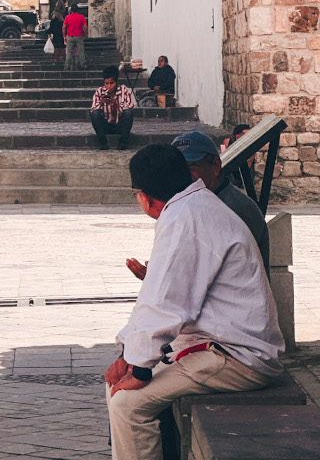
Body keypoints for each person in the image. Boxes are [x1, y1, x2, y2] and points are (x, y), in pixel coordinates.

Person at [105, 144, 283, 460]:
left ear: (145, 197)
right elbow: (156, 296)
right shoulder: (193, 207)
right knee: (119, 384)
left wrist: (140, 368)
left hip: (239, 357)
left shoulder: (186, 218)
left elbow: (167, 304)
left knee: (127, 404)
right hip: (218, 345)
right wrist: (127, 352)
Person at [170, 130, 269, 269]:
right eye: (177, 169)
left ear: (216, 166)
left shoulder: (232, 208)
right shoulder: (202, 200)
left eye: (191, 167)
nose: (183, 176)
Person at [90, 67, 136, 150]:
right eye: (106, 83)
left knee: (129, 113)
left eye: (112, 83)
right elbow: (93, 109)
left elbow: (130, 106)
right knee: (94, 113)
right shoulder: (99, 91)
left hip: (120, 125)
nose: (109, 86)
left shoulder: (123, 90)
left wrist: (117, 105)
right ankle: (102, 141)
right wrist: (100, 103)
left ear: (116, 82)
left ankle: (123, 141)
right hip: (105, 125)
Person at [63, 4, 87, 69]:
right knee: (81, 51)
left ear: (71, 10)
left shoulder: (67, 17)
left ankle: (67, 66)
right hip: (79, 36)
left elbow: (64, 27)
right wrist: (84, 34)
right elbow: (85, 26)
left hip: (70, 36)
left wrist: (64, 36)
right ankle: (82, 65)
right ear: (77, 10)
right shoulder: (81, 17)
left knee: (69, 52)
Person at [49, 1, 66, 66]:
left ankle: (56, 59)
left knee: (56, 46)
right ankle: (64, 59)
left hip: (56, 33)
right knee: (62, 46)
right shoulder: (64, 15)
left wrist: (50, 33)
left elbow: (52, 25)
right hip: (62, 32)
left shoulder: (54, 15)